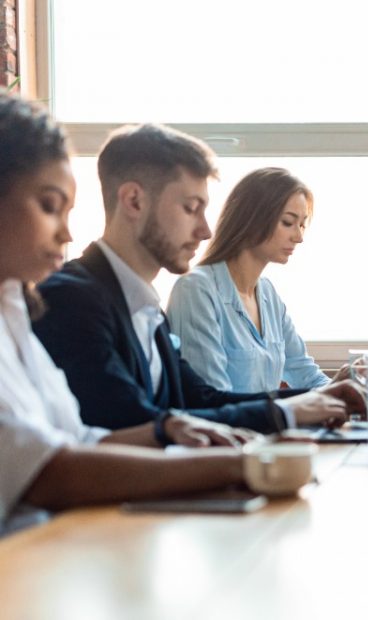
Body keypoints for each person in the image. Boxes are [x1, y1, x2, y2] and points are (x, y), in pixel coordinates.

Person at [0, 94, 254, 533]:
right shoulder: (70, 298)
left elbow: (77, 439)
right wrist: (239, 465)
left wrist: (165, 431)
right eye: (47, 206)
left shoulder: (13, 313)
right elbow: (47, 472)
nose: (65, 232)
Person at [33, 123, 364, 435]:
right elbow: (135, 423)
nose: (205, 231)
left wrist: (318, 398)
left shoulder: (146, 309)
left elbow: (201, 400)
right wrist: (286, 414)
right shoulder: (70, 299)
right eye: (191, 208)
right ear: (134, 201)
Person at [166, 167, 338, 393]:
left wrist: (343, 391)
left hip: (269, 427)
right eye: (288, 222)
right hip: (231, 428)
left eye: (302, 224)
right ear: (252, 219)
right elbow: (213, 398)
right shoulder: (196, 290)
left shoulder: (267, 294)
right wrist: (296, 407)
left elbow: (305, 373)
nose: (299, 237)